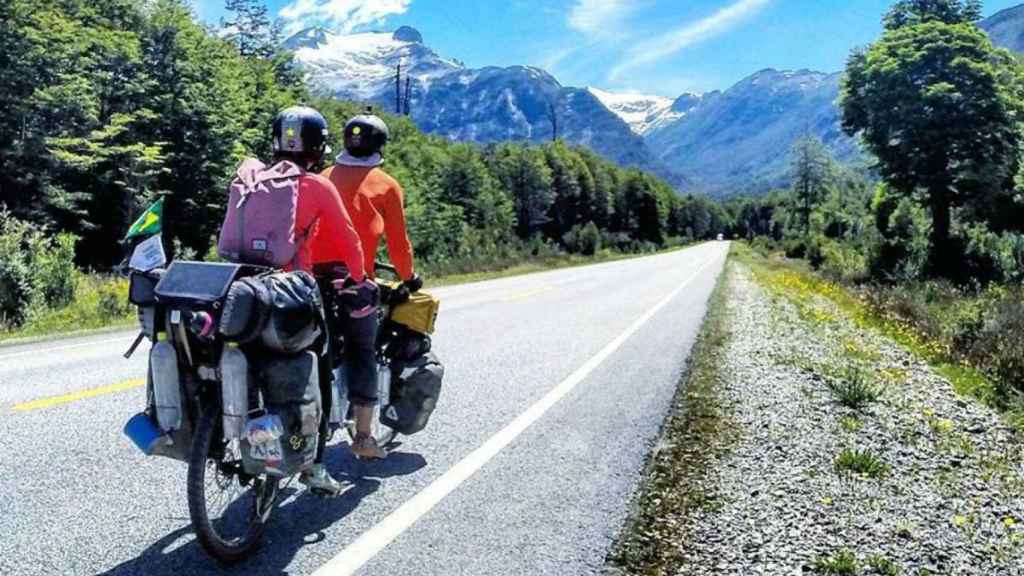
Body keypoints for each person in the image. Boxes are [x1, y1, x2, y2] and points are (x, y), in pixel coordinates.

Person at [223, 105, 382, 497]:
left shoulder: (249, 175)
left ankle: (242, 435)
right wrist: (359, 281)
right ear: (318, 146)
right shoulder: (315, 185)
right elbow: (349, 240)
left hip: (238, 287)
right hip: (290, 291)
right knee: (319, 367)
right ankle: (315, 467)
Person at [322, 110, 422, 295]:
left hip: (309, 275)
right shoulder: (387, 185)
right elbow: (398, 243)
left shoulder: (323, 176)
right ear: (380, 146)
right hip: (354, 279)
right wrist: (409, 276)